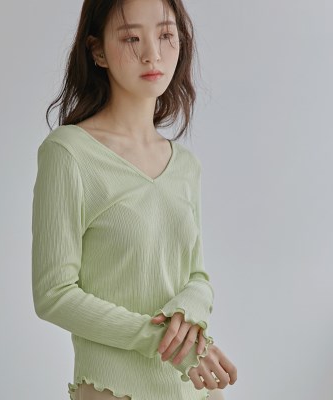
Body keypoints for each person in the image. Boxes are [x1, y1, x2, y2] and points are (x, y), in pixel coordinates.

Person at [31, 0, 237, 399]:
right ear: (97, 51)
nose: (152, 54)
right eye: (131, 38)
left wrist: (191, 311)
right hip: (115, 389)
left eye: (165, 35)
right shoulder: (69, 153)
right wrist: (162, 340)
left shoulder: (185, 165)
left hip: (196, 387)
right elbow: (54, 294)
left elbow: (196, 276)